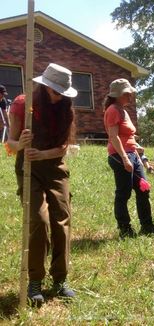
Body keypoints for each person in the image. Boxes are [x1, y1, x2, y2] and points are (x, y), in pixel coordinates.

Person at [7, 63, 77, 304]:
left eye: (62, 92)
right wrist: (22, 144)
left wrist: (44, 154)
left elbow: (64, 147)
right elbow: (10, 144)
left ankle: (60, 279)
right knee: (38, 220)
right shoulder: (22, 105)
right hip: (29, 168)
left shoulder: (66, 109)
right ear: (45, 87)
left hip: (56, 167)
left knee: (62, 219)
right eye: (56, 91)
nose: (59, 97)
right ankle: (35, 280)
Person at [104, 78, 154, 239]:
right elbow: (114, 137)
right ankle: (125, 228)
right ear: (119, 95)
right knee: (123, 193)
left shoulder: (123, 110)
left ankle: (147, 225)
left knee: (144, 189)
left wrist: (136, 150)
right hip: (119, 156)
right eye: (128, 93)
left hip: (132, 154)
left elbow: (127, 136)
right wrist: (125, 159)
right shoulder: (113, 110)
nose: (131, 96)